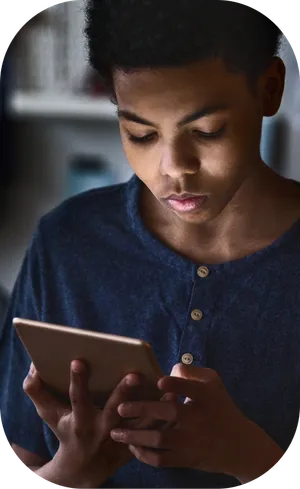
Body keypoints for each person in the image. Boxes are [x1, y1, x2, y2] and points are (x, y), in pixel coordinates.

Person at [0, 0, 299, 488]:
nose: (173, 169)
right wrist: (70, 472)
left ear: (268, 89)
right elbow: (24, 453)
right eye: (141, 133)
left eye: (207, 131)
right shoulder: (66, 242)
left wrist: (250, 458)